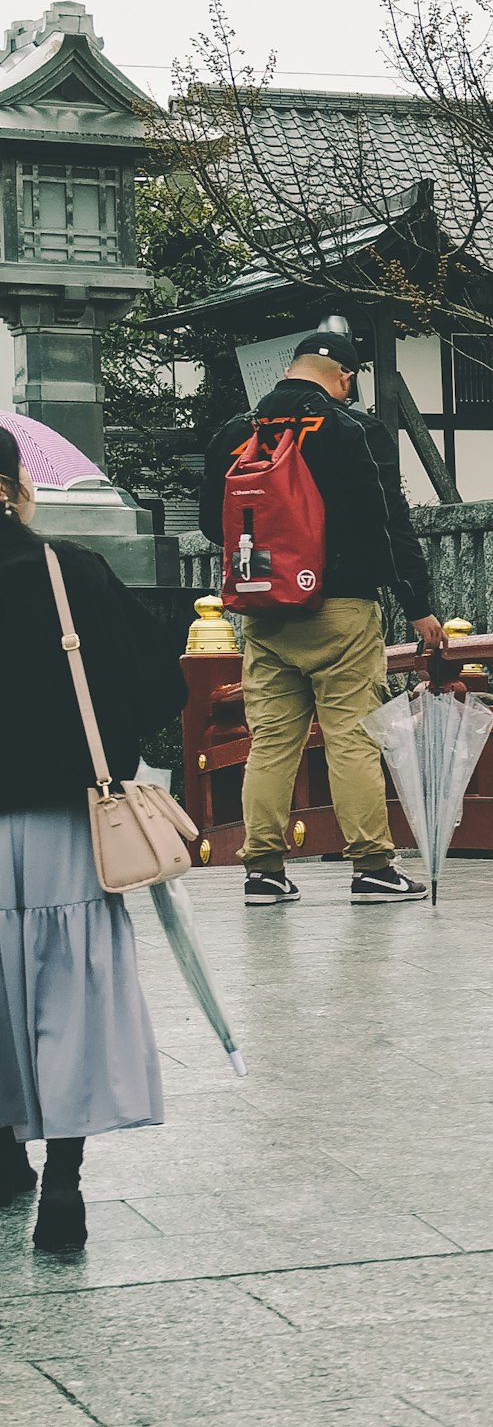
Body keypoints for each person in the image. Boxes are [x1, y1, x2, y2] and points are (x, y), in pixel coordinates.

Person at [0, 420, 182, 1257]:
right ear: (19, 489)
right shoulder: (71, 574)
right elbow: (158, 685)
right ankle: (65, 1185)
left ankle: (5, 1153)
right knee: (66, 998)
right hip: (68, 826)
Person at [209, 316, 440, 904]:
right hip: (340, 607)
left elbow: (218, 524)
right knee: (352, 738)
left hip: (264, 612)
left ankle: (262, 870)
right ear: (343, 375)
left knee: (271, 743)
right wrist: (418, 604)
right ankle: (371, 867)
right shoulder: (350, 430)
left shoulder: (237, 432)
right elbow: (387, 523)